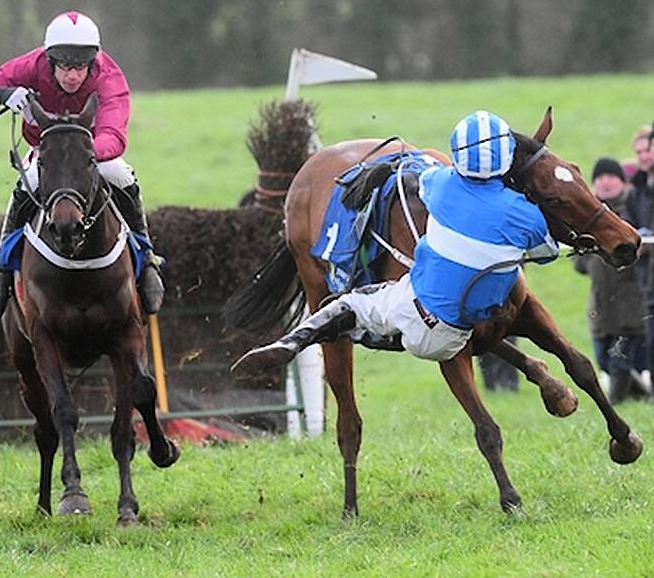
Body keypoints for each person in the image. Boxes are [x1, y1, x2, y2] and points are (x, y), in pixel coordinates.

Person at [234, 111, 559, 370]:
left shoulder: (443, 186)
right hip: (465, 325)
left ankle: (293, 341)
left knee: (349, 304)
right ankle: (531, 366)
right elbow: (547, 252)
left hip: (422, 325)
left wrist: (384, 172)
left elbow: (426, 177)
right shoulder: (520, 213)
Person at [0, 11, 164, 319]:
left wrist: (78, 155)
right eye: (64, 66)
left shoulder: (109, 78)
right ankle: (1, 268)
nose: (72, 76)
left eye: (80, 67)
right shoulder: (28, 66)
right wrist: (0, 94)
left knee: (120, 174)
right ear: (50, 60)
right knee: (27, 183)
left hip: (92, 156)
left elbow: (115, 138)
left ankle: (146, 262)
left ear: (93, 62)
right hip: (46, 154)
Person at [574, 158, 648, 403]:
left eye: (611, 176)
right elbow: (579, 264)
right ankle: (640, 393)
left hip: (630, 307)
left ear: (622, 181)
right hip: (600, 307)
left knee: (619, 364)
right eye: (600, 177)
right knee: (604, 362)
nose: (605, 182)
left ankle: (615, 405)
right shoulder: (586, 217)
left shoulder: (632, 211)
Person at [624, 124, 654, 373]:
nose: (644, 156)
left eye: (648, 150)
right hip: (648, 281)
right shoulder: (635, 193)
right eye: (639, 152)